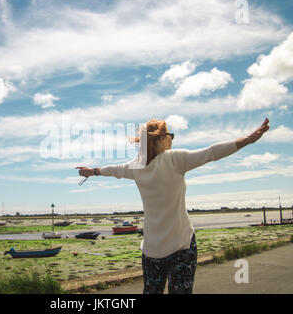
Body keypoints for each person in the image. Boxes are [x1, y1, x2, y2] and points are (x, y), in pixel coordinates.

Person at [76, 118, 270, 294]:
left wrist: (91, 171)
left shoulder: (134, 167)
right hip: (181, 246)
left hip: (151, 249)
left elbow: (112, 170)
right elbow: (210, 153)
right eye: (170, 135)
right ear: (160, 138)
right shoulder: (174, 159)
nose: (172, 139)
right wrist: (247, 139)